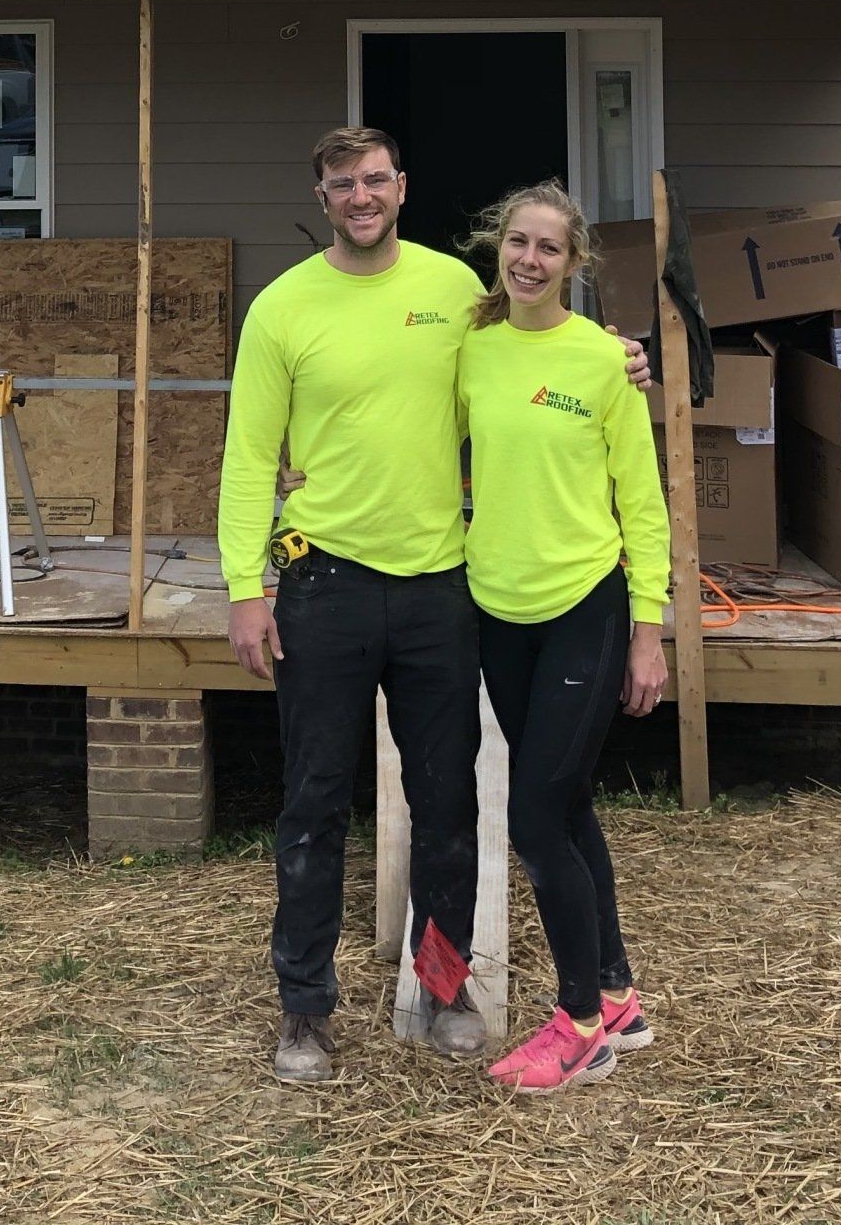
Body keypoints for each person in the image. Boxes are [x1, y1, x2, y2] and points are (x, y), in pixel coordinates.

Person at [216, 125, 651, 1087]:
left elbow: (533, 362)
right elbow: (249, 458)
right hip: (322, 582)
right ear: (322, 194)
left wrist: (617, 360)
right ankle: (305, 1008)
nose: (361, 195)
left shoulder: (457, 293)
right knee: (314, 802)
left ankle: (444, 987)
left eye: (376, 179)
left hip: (438, 589)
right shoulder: (282, 309)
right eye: (342, 183)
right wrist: (246, 589)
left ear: (402, 188)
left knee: (446, 802)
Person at [458, 179, 670, 1095]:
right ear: (497, 249)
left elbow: (644, 504)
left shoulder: (602, 363)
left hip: (585, 605)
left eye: (549, 247)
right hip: (496, 610)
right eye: (517, 242)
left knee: (537, 816)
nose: (530, 260)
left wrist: (649, 630)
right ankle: (617, 991)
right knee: (570, 802)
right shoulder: (472, 351)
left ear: (574, 264)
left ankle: (580, 1023)